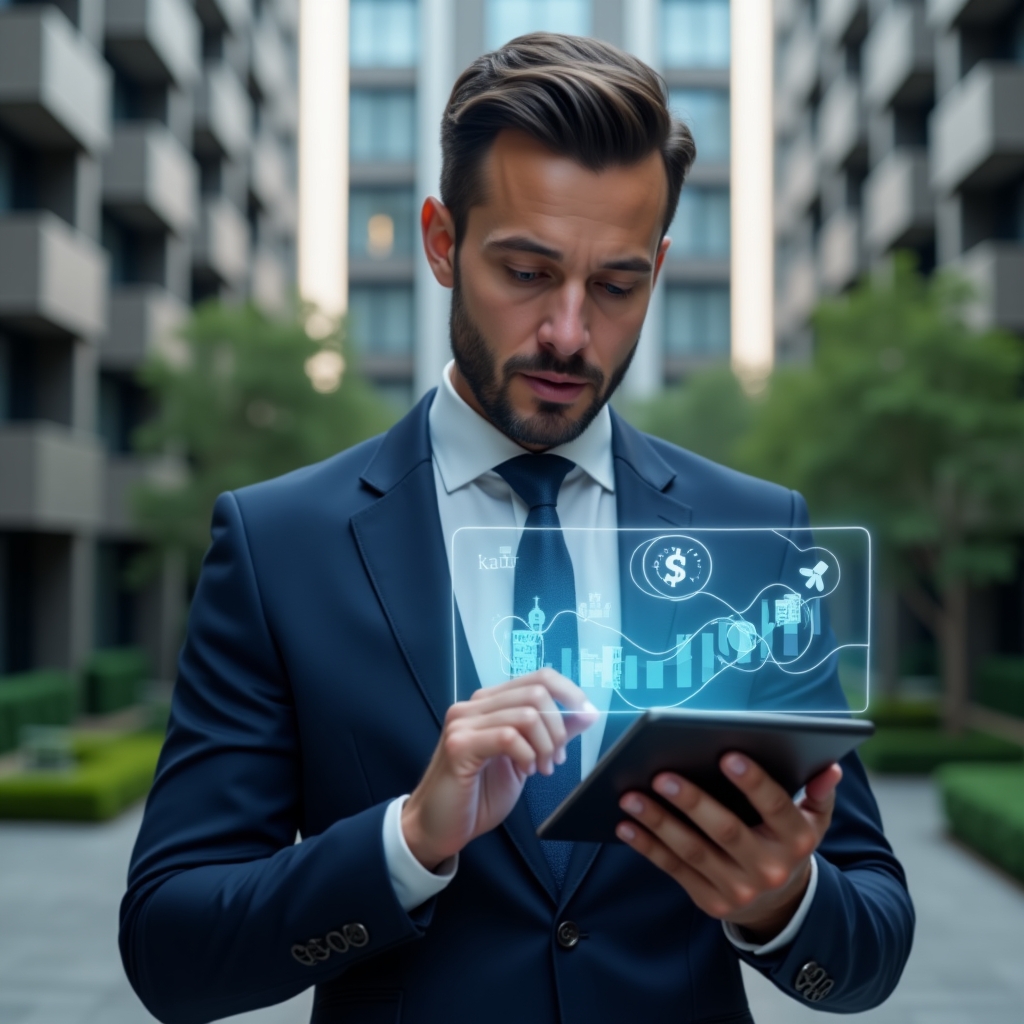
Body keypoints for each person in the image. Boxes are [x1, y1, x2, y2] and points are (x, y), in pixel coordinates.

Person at [120, 34, 913, 1024]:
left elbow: (873, 940)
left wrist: (781, 902)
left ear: (660, 268)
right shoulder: (279, 543)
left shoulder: (756, 532)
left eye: (617, 286)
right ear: (441, 241)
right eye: (527, 271)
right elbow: (171, 949)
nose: (569, 333)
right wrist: (408, 841)